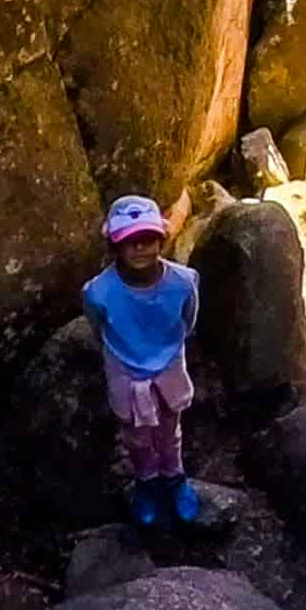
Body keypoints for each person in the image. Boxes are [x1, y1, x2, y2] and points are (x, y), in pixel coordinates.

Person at [81, 193, 210, 533]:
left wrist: (171, 346)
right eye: (131, 242)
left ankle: (174, 476)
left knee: (170, 428)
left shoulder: (183, 282)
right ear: (115, 246)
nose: (141, 249)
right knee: (137, 436)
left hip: (168, 365)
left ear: (161, 240)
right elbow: (98, 326)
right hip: (126, 371)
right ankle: (146, 482)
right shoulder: (99, 291)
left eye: (148, 240)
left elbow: (189, 319)